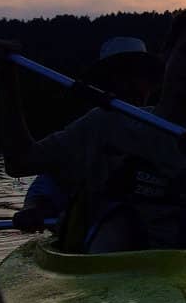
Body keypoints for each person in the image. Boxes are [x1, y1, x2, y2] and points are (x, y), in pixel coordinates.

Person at [2, 10, 186, 253]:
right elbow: (20, 162)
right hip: (119, 269)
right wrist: (6, 75)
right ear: (167, 54)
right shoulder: (107, 122)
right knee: (118, 221)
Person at [11, 35, 162, 232]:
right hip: (97, 247)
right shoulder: (89, 128)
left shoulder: (169, 126)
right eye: (121, 74)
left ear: (150, 83)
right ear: (105, 83)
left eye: (138, 75)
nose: (131, 84)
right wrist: (35, 209)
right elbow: (42, 182)